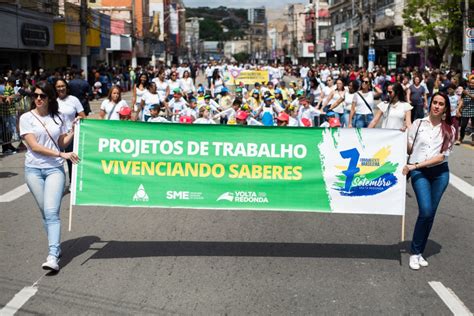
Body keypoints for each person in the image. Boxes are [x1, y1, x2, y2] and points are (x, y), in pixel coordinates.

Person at [19, 82, 80, 271]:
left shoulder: (58, 117)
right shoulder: (26, 118)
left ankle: (53, 255)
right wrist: (62, 155)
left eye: (42, 96)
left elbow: (61, 142)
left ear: (49, 98)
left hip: (54, 170)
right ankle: (56, 247)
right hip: (33, 170)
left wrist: (73, 131)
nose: (38, 99)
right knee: (45, 212)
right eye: (35, 95)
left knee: (52, 212)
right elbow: (34, 146)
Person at [402, 92, 455, 271]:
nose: (437, 106)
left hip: (439, 174)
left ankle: (419, 252)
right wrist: (402, 136)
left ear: (445, 108)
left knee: (430, 213)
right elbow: (410, 147)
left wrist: (414, 165)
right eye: (434, 102)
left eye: (441, 104)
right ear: (430, 104)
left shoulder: (450, 130)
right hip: (419, 173)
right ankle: (414, 252)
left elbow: (441, 157)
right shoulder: (418, 124)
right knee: (425, 210)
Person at [55, 79, 86, 187]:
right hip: (56, 135)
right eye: (58, 86)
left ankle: (73, 183)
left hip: (70, 134)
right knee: (56, 160)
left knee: (71, 160)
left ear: (66, 87)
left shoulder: (73, 100)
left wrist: (78, 118)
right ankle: (57, 184)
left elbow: (83, 115)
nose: (61, 88)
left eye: (63, 86)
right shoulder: (53, 101)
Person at [458, 75, 474, 145]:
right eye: (471, 83)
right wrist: (458, 109)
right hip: (465, 110)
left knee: (473, 126)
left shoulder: (466, 91)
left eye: (473, 83)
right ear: (469, 83)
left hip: (473, 110)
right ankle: (461, 138)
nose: (472, 84)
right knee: (463, 125)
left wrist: (467, 93)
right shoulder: (466, 89)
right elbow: (462, 100)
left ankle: (473, 140)